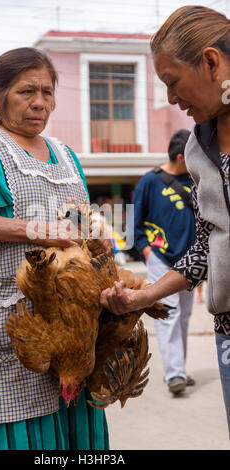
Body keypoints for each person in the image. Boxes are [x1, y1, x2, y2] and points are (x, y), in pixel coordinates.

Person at [0, 47, 111, 451]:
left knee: (76, 431)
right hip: (11, 314)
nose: (39, 103)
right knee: (20, 433)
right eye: (26, 91)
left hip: (72, 323)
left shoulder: (65, 154)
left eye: (47, 93)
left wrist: (101, 237)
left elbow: (78, 218)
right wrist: (36, 230)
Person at [100, 5, 230, 436]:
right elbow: (207, 246)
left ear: (211, 62)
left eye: (173, 82)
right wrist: (144, 297)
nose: (172, 99)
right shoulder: (198, 147)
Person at [133, 129, 196, 394]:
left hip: (190, 260)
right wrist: (146, 251)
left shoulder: (196, 178)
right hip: (160, 259)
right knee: (168, 315)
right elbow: (135, 222)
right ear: (181, 156)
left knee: (184, 317)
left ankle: (177, 367)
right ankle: (175, 375)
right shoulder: (150, 181)